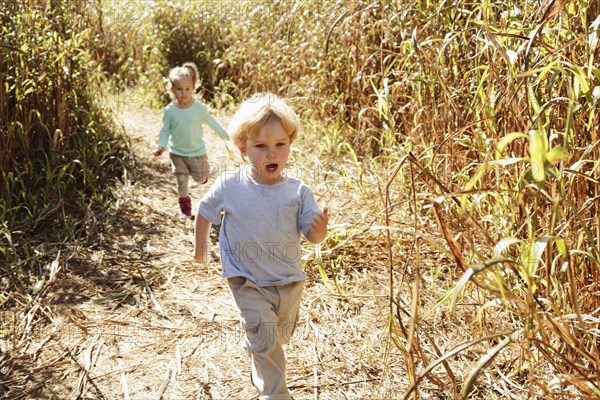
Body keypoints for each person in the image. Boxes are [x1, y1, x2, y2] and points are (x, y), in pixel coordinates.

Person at [193, 93, 328, 399]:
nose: (272, 154)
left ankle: (258, 350)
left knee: (277, 336)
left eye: (280, 145)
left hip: (289, 281)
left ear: (290, 145)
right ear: (243, 148)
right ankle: (276, 394)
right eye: (261, 147)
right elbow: (204, 211)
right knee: (266, 338)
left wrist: (319, 232)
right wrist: (201, 249)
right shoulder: (231, 184)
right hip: (247, 280)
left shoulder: (298, 192)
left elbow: (311, 234)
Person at [154, 62, 229, 218]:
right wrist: (162, 146)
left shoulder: (199, 108)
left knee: (200, 178)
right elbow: (165, 130)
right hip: (177, 153)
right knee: (181, 180)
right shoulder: (170, 111)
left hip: (197, 152)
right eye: (179, 89)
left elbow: (211, 122)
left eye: (187, 89)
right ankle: (185, 208)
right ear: (171, 89)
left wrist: (225, 135)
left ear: (193, 88)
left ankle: (203, 176)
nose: (183, 93)